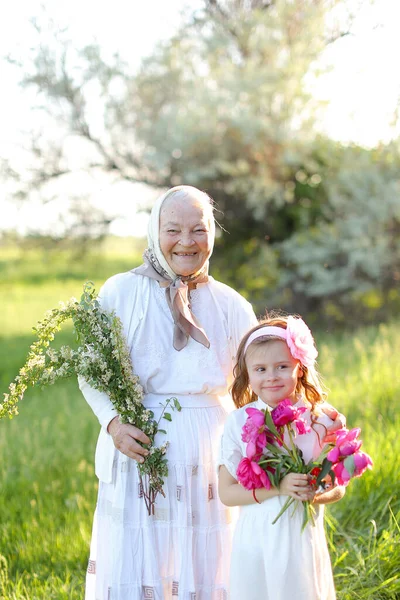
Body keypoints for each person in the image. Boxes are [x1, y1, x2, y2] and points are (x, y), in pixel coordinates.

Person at [79, 186, 344, 600]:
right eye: (173, 230)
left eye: (198, 230)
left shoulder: (230, 303)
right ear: (154, 231)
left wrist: (316, 416)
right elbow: (90, 371)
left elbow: (266, 381)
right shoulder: (119, 293)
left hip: (209, 445)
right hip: (140, 444)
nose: (186, 241)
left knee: (209, 555)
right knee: (146, 551)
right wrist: (113, 422)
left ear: (211, 235)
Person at [218, 316, 346, 600]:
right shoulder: (238, 422)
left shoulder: (319, 418)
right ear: (248, 375)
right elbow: (226, 492)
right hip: (256, 538)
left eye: (282, 367)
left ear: (299, 369)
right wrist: (280, 487)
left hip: (301, 538)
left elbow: (338, 486)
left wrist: (314, 491)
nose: (271, 376)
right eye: (260, 369)